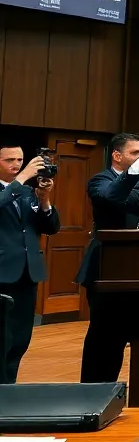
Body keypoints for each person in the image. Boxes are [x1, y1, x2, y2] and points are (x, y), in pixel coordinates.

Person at [79, 132, 139, 384]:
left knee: (127, 334)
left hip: (136, 269)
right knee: (104, 338)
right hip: (106, 268)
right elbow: (110, 196)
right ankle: (92, 393)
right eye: (135, 153)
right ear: (117, 156)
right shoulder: (100, 180)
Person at [0, 143, 60, 383]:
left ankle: (9, 392)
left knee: (19, 340)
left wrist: (44, 200)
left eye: (20, 160)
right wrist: (23, 177)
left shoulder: (26, 191)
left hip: (28, 273)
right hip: (2, 274)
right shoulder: (16, 187)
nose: (16, 165)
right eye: (9, 160)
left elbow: (51, 227)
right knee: (1, 340)